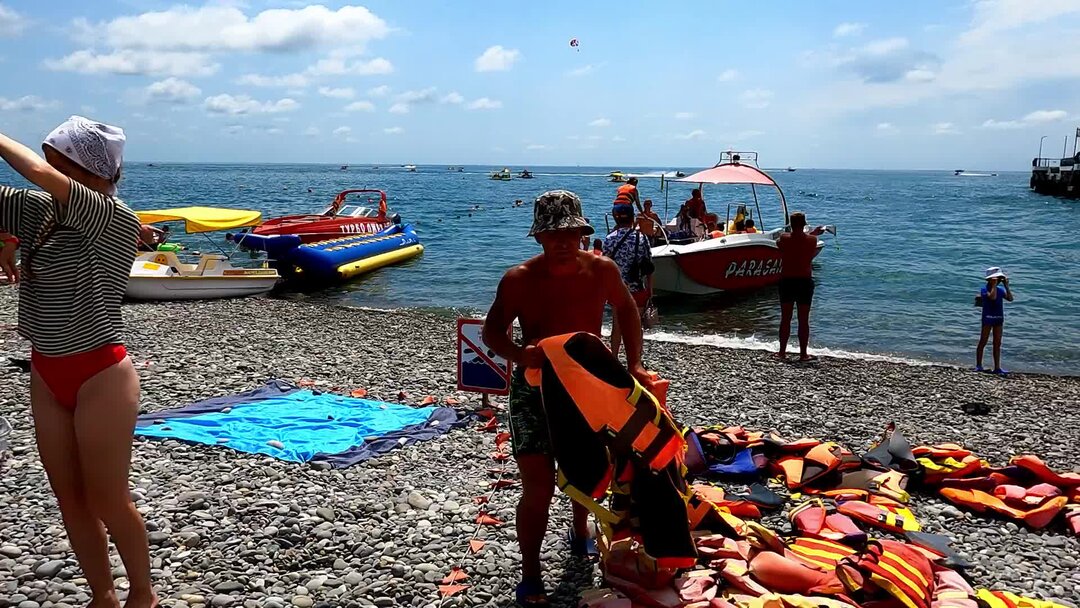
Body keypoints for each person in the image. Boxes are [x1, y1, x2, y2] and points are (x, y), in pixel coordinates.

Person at [0, 116, 157, 608]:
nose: (49, 167)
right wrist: (3, 240)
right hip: (46, 369)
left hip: (100, 374)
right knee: (69, 498)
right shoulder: (37, 210)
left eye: (58, 160)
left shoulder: (115, 217)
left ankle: (143, 595)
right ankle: (102, 595)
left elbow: (40, 177)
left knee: (108, 498)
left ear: (86, 170)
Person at [482, 190, 650, 608]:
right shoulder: (519, 278)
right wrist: (522, 354)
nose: (562, 242)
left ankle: (580, 533)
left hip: (587, 385)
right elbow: (492, 333)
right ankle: (531, 574)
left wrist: (633, 365)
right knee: (537, 487)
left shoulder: (602, 269)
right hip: (535, 388)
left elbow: (627, 310)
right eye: (553, 234)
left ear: (582, 232)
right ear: (539, 237)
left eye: (570, 233)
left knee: (588, 472)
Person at [603, 203, 654, 358]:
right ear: (633, 218)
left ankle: (614, 357)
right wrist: (650, 290)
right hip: (638, 287)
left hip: (618, 289)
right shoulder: (642, 238)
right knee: (636, 325)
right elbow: (649, 267)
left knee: (617, 325)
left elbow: (604, 266)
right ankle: (636, 358)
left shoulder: (609, 239)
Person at [775, 211, 824, 362]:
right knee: (803, 320)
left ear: (790, 224)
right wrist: (812, 232)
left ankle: (782, 352)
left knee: (785, 318)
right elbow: (808, 241)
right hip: (804, 281)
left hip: (787, 280)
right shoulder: (812, 240)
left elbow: (780, 243)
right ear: (804, 224)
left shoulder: (784, 238)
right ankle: (803, 354)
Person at [975, 267, 1014, 374]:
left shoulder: (1000, 290)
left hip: (998, 319)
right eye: (997, 279)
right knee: (983, 341)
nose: (998, 281)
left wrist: (1006, 286)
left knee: (997, 343)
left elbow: (1010, 299)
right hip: (988, 318)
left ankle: (997, 367)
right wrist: (993, 285)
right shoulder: (984, 290)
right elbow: (992, 297)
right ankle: (979, 365)